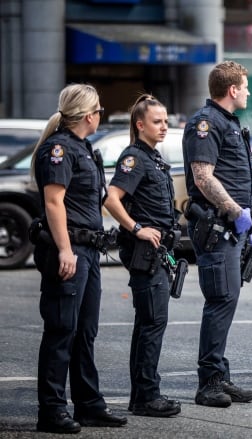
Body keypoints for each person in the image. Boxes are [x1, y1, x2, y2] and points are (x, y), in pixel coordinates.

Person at [32, 84, 127, 433]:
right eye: (100, 110)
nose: (101, 115)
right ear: (88, 115)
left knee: (85, 331)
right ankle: (52, 410)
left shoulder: (84, 149)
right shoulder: (59, 149)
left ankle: (88, 405)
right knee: (61, 330)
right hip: (69, 250)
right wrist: (64, 250)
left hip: (87, 250)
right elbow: (54, 203)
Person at [182, 61, 252, 407]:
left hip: (230, 225)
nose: (248, 92)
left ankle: (220, 375)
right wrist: (235, 210)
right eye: (245, 86)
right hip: (216, 224)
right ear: (232, 90)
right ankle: (209, 381)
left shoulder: (225, 121)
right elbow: (203, 177)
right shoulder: (206, 123)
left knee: (227, 299)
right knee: (221, 300)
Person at [103, 95, 181, 418]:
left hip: (158, 253)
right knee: (152, 323)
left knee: (149, 323)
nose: (164, 126)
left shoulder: (153, 156)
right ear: (140, 125)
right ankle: (147, 396)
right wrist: (137, 228)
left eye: (165, 121)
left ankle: (142, 394)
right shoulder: (134, 157)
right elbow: (111, 198)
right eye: (157, 122)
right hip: (144, 254)